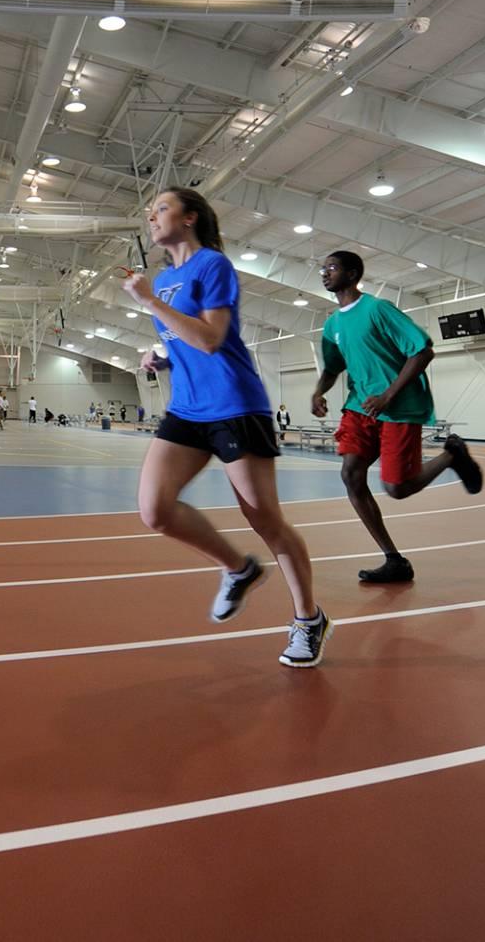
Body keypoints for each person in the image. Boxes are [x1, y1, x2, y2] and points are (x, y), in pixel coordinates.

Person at [121, 187, 327, 668]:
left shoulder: (213, 265)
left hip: (234, 405)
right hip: (187, 409)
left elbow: (212, 338)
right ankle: (238, 569)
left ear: (190, 217)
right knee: (155, 510)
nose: (152, 218)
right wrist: (163, 356)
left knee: (266, 521)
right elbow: (186, 342)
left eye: (161, 209)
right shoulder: (168, 278)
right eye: (149, 212)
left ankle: (308, 620)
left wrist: (150, 303)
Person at [311, 249, 480, 585]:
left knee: (397, 489)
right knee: (351, 474)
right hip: (360, 406)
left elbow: (422, 349)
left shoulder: (378, 310)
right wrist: (319, 391)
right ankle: (394, 560)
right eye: (323, 268)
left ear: (353, 273)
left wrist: (389, 394)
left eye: (331, 267)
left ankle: (451, 455)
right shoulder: (333, 324)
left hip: (398, 406)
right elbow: (332, 367)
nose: (324, 273)